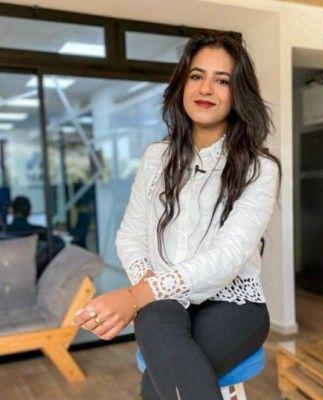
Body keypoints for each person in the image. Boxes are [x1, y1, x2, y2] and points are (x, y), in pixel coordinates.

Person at [73, 32, 281, 400]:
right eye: (197, 76)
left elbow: (227, 257)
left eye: (222, 80)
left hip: (234, 305)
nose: (206, 88)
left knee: (156, 387)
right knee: (157, 332)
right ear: (183, 84)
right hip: (164, 301)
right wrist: (146, 286)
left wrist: (136, 295)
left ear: (238, 93)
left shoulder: (259, 168)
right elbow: (130, 235)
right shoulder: (156, 157)